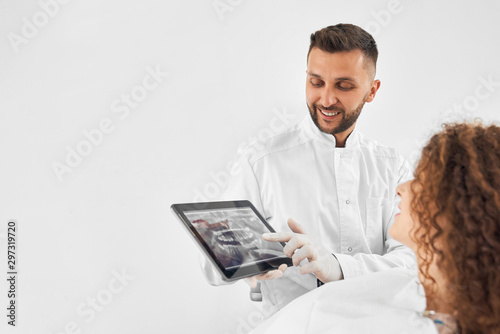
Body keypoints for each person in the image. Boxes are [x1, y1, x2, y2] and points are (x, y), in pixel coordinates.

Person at [202, 23, 416, 316]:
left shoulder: (392, 166)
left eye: (344, 85)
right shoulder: (261, 161)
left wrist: (337, 266)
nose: (326, 99)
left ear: (372, 90)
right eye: (316, 82)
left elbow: (415, 263)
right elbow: (212, 268)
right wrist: (246, 266)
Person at [249, 122, 500, 334]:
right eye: (316, 82)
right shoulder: (431, 295)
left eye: (423, 180)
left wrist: (337, 266)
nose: (401, 188)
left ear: (459, 209)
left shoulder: (324, 314)